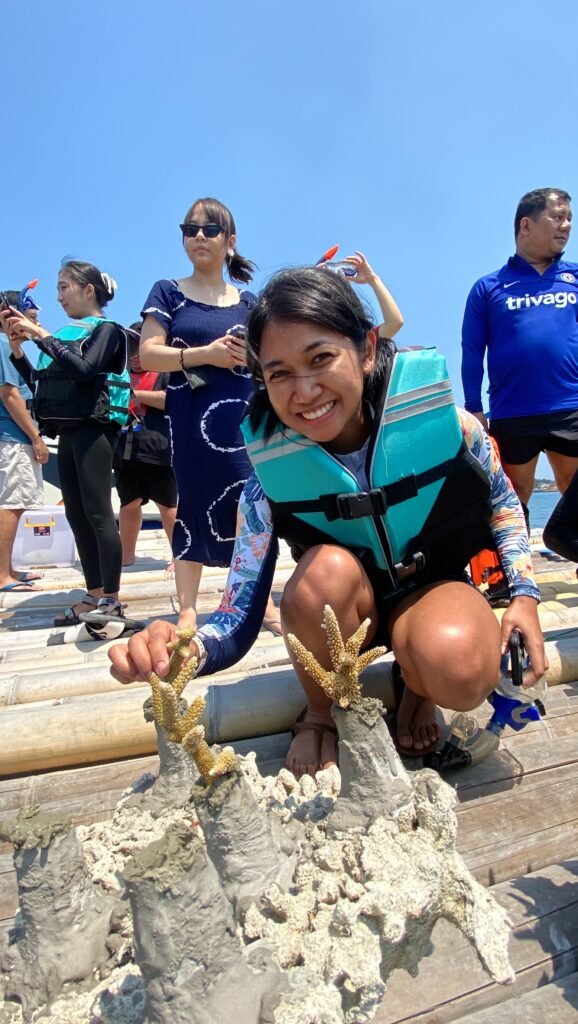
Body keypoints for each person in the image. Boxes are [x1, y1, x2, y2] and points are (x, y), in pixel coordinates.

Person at [110, 266, 547, 778]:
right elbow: (237, 615)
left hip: (432, 591)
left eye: (320, 359)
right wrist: (182, 652)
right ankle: (322, 711)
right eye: (279, 374)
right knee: (320, 574)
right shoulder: (266, 480)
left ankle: (416, 684)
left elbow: (501, 498)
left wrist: (524, 596)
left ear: (365, 349)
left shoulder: (450, 426)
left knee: (462, 668)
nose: (305, 391)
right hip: (344, 608)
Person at [139, 196, 279, 633]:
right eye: (190, 229)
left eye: (210, 229)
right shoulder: (168, 291)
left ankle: (258, 600)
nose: (199, 236)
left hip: (243, 422)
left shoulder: (250, 301)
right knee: (193, 502)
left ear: (230, 241)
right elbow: (148, 355)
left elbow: (269, 359)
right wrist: (206, 355)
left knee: (251, 506)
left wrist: (246, 357)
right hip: (191, 419)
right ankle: (187, 608)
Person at [3, 260, 131, 627]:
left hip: (96, 429)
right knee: (75, 513)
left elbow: (85, 369)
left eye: (64, 287)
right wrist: (17, 350)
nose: (58, 297)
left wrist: (40, 334)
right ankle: (93, 593)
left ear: (88, 289)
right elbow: (40, 384)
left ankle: (112, 599)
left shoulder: (108, 331)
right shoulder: (61, 335)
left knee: (98, 512)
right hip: (71, 432)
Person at [461, 188, 578, 524]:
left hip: (570, 406)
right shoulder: (489, 287)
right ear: (526, 225)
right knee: (513, 496)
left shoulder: (574, 277)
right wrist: (474, 409)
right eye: (557, 217)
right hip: (514, 410)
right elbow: (472, 351)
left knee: (573, 491)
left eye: (569, 218)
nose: (566, 225)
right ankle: (512, 573)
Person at [114, 322, 177, 567]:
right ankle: (126, 556)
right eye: (131, 349)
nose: (136, 356)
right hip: (123, 449)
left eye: (139, 349)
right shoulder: (118, 373)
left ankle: (178, 557)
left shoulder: (166, 371)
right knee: (128, 504)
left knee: (168, 506)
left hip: (157, 449)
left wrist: (135, 395)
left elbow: (171, 401)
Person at [0, 289, 49, 593]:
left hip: (15, 437)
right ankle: (2, 576)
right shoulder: (4, 346)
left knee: (19, 503)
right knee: (11, 504)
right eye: (30, 312)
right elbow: (10, 394)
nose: (35, 317)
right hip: (13, 437)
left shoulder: (10, 348)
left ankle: (11, 569)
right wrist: (35, 436)